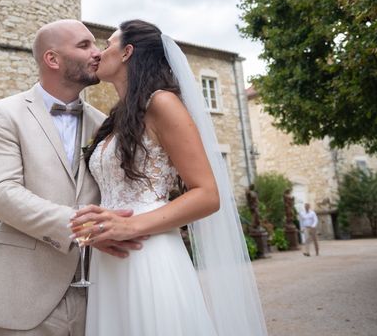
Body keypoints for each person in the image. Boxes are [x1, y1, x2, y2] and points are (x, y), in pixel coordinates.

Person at [70, 20, 268, 335]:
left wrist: (129, 225)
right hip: (108, 263)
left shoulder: (162, 103)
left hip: (148, 255)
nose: (99, 52)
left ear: (127, 53)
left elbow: (207, 194)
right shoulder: (118, 118)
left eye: (108, 44)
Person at [0, 20, 141, 336]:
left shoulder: (105, 124)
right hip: (24, 293)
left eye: (97, 45)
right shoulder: (2, 114)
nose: (98, 53)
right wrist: (84, 227)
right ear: (53, 59)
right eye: (85, 45)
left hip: (99, 291)